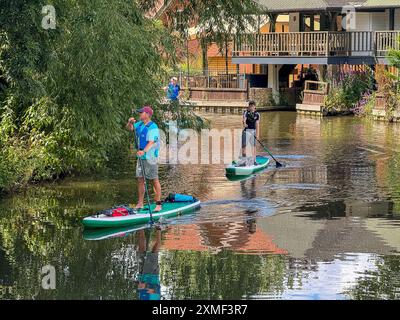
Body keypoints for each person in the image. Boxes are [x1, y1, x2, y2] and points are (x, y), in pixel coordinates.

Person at [126, 106, 162, 212]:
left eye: (141, 112)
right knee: (140, 179)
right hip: (141, 156)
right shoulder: (140, 124)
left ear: (147, 114)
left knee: (154, 180)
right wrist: (130, 123)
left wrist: (143, 151)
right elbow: (130, 129)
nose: (139, 114)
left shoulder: (153, 127)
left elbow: (151, 142)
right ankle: (140, 203)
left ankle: (158, 204)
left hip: (150, 157)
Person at [136, 228, 161, 300]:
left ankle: (141, 227)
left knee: (141, 250)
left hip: (141, 275)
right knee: (154, 251)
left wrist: (138, 285)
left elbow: (140, 290)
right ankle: (158, 228)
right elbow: (157, 289)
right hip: (152, 274)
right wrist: (146, 286)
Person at [241, 101, 260, 165]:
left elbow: (257, 125)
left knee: (253, 147)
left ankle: (254, 161)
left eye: (253, 106)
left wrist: (257, 135)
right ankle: (244, 162)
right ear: (249, 107)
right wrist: (244, 123)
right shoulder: (246, 112)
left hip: (253, 131)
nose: (251, 108)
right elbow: (244, 120)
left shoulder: (257, 114)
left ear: (255, 107)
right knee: (243, 148)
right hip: (246, 131)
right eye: (250, 106)